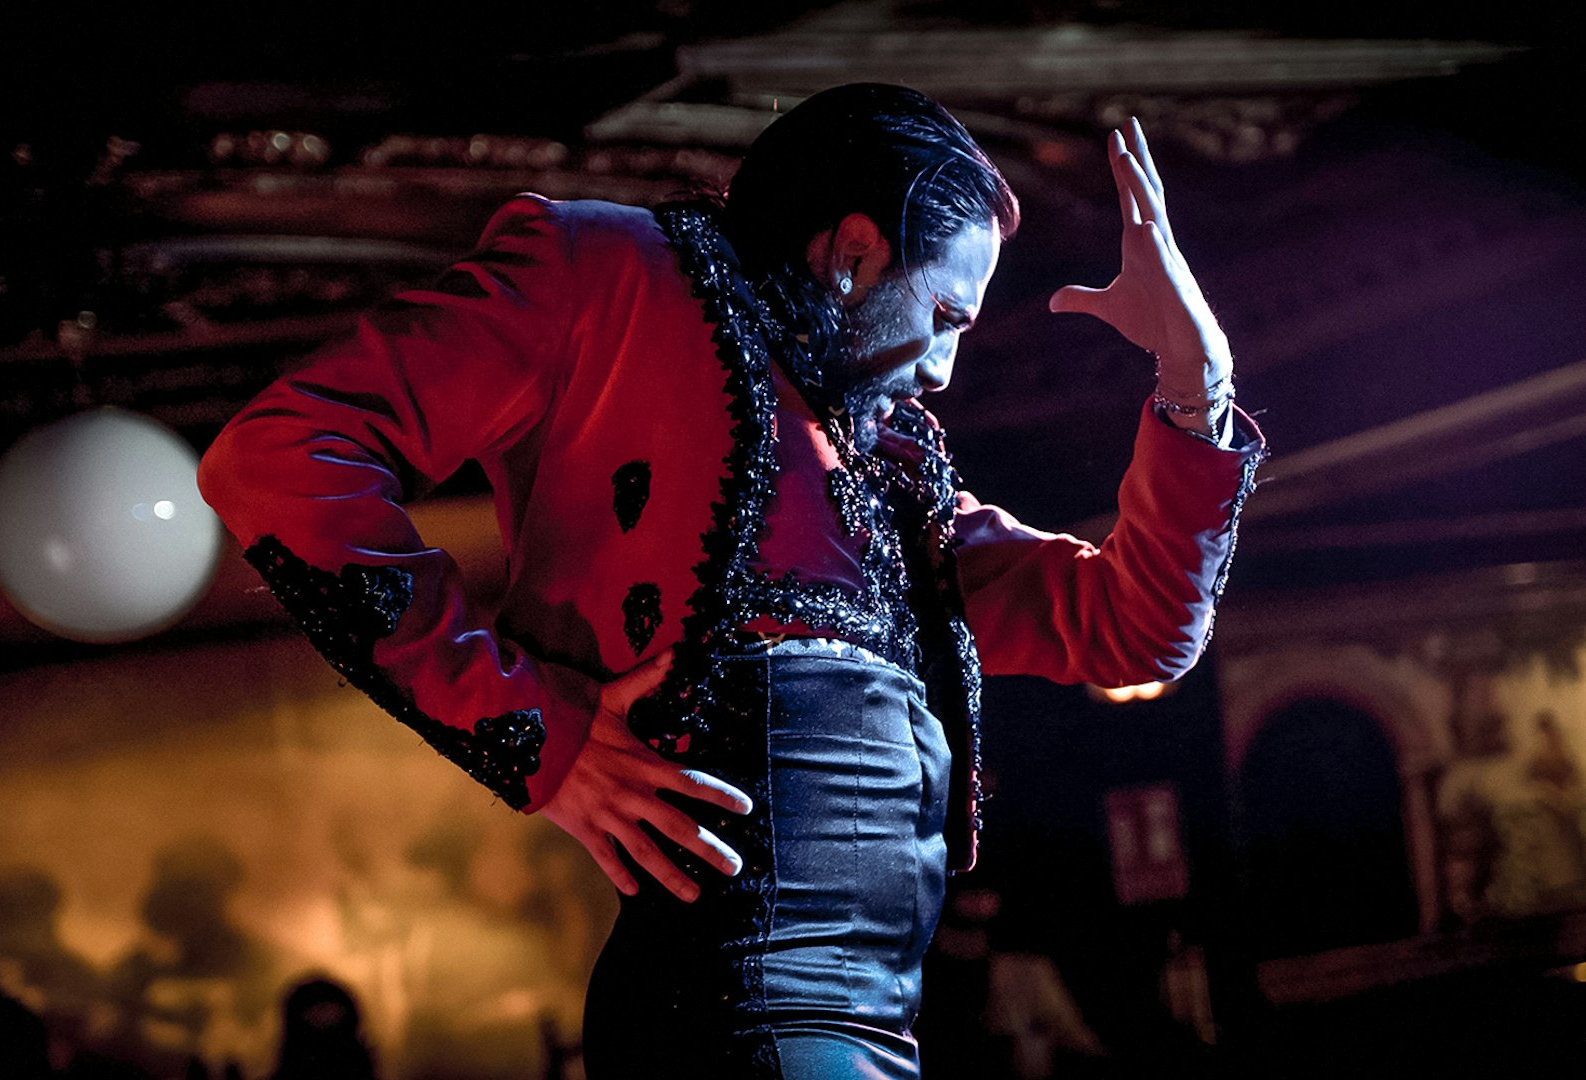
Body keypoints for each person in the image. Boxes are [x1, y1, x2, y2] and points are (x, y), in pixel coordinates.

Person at [198, 83, 1263, 1079]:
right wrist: (537, 736)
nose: (945, 369)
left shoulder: (898, 485)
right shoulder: (602, 272)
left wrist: (1196, 383)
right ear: (852, 252)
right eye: (945, 317)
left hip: (879, 1026)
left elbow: (1136, 630)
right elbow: (283, 458)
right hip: (735, 1016)